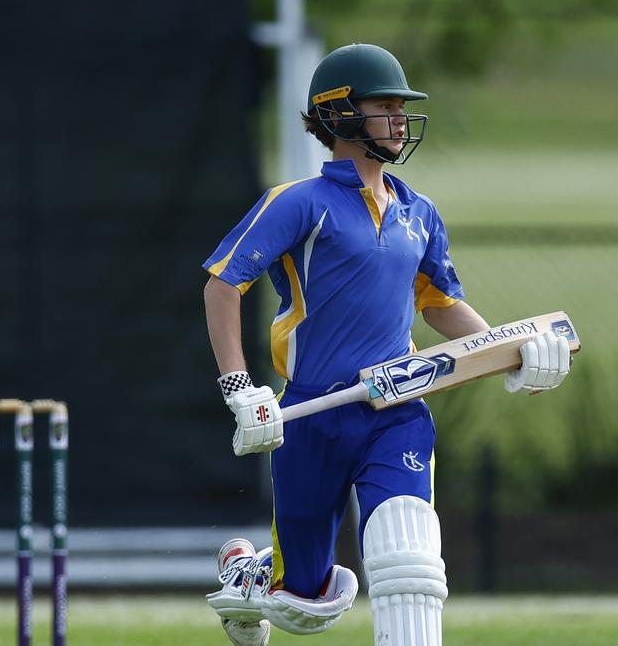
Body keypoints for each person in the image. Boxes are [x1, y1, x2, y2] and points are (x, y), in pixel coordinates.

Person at [202, 43, 571, 646]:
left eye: (402, 107)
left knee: (409, 560)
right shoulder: (300, 203)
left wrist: (515, 349)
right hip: (312, 412)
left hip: (395, 409)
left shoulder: (418, 212)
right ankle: (254, 575)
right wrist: (241, 389)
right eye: (385, 106)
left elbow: (441, 305)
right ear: (342, 114)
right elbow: (223, 284)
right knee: (306, 604)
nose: (400, 119)